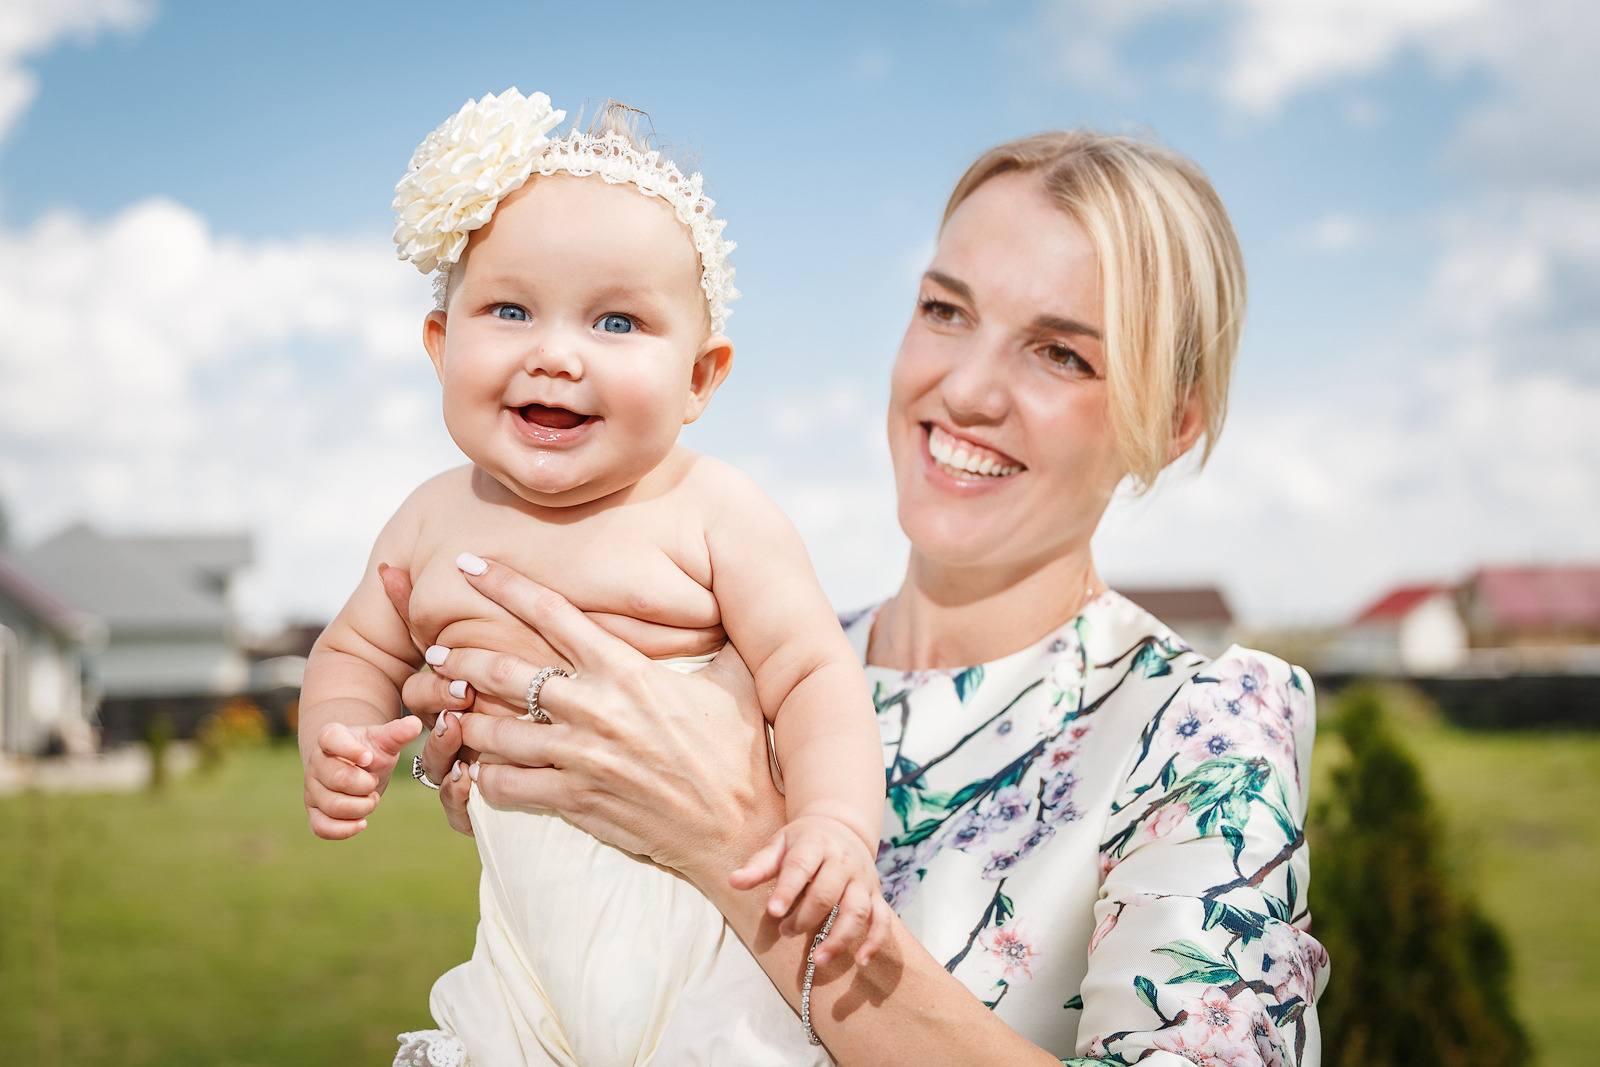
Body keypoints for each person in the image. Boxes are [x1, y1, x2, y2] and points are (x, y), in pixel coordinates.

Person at [396, 126, 1331, 1066]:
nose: (966, 389)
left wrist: (734, 846)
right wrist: (508, 766)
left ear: (1171, 426)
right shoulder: (754, 656)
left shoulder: (1197, 735)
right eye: (945, 310)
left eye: (1060, 354)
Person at [295, 88, 888, 1067]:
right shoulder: (432, 515)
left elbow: (816, 677)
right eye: (511, 308)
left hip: (711, 946)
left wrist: (831, 821)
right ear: (442, 344)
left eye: (615, 321)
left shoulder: (713, 511)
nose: (556, 352)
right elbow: (354, 646)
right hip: (524, 963)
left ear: (701, 376)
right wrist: (340, 731)